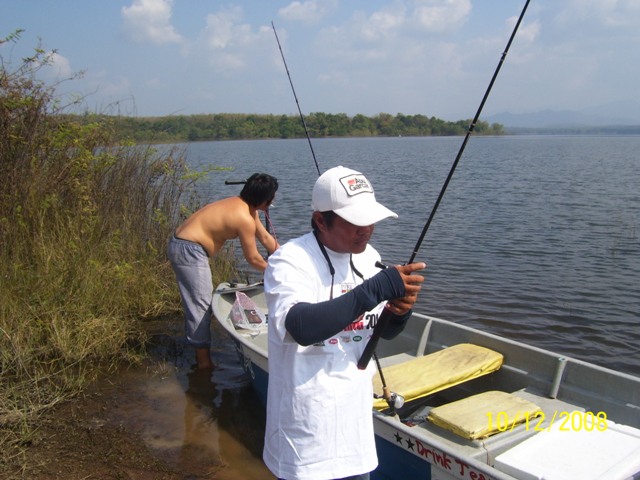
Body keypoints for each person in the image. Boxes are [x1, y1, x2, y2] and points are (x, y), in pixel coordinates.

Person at [263, 166, 426, 480]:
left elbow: (381, 333)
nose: (365, 229)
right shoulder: (289, 260)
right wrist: (375, 289)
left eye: (370, 220)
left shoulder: (369, 257)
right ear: (321, 220)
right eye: (355, 221)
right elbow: (301, 327)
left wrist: (399, 312)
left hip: (355, 437)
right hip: (305, 438)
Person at [168, 173, 279, 369]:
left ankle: (202, 357)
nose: (273, 200)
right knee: (200, 306)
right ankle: (204, 363)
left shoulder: (248, 209)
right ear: (264, 199)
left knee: (200, 303)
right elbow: (253, 259)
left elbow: (266, 239)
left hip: (188, 247)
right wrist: (278, 272)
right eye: (272, 197)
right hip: (188, 249)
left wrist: (288, 260)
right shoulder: (243, 217)